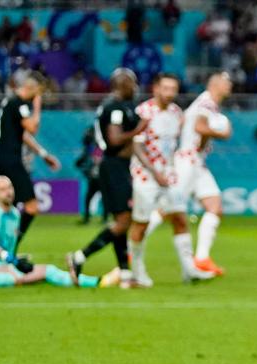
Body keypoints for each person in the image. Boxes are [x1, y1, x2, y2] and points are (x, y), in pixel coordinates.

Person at [0, 176, 115, 289]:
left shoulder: (15, 214)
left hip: (0, 261)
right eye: (2, 189)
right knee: (16, 278)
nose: (8, 192)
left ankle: (95, 282)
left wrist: (17, 258)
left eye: (9, 187)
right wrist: (11, 259)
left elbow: (7, 245)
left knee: (47, 271)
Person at [128, 73, 213, 286]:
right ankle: (138, 272)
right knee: (141, 223)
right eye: (165, 88)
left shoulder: (177, 113)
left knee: (180, 218)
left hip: (169, 175)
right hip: (145, 176)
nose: (169, 93)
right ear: (155, 88)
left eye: (173, 89)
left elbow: (177, 145)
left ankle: (189, 270)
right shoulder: (143, 111)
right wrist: (154, 172)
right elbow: (136, 145)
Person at [66, 68, 148, 288]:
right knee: (124, 221)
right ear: (122, 84)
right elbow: (114, 139)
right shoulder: (114, 109)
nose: (136, 87)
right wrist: (138, 129)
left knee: (121, 220)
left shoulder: (123, 107)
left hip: (120, 166)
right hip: (113, 167)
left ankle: (124, 275)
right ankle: (79, 257)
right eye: (133, 82)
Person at [171, 72, 233, 276]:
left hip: (195, 161)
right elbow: (200, 127)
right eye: (226, 82)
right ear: (214, 83)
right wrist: (222, 134)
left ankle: (202, 258)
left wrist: (201, 143)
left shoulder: (204, 103)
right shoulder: (206, 102)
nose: (229, 85)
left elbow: (186, 125)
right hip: (187, 162)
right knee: (167, 209)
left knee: (214, 206)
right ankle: (132, 247)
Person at [0, 71, 61, 247]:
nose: (38, 96)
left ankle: (0, 248)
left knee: (7, 208)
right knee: (31, 207)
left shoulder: (9, 102)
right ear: (32, 88)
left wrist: (44, 154)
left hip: (0, 160)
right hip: (12, 162)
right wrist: (37, 107)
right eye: (38, 92)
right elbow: (32, 128)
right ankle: (11, 247)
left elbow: (22, 135)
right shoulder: (20, 104)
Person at [74, 126, 102, 225]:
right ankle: (87, 218)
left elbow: (97, 159)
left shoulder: (99, 146)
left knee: (105, 199)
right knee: (89, 198)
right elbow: (80, 163)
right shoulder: (91, 148)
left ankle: (104, 218)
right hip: (94, 178)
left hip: (101, 177)